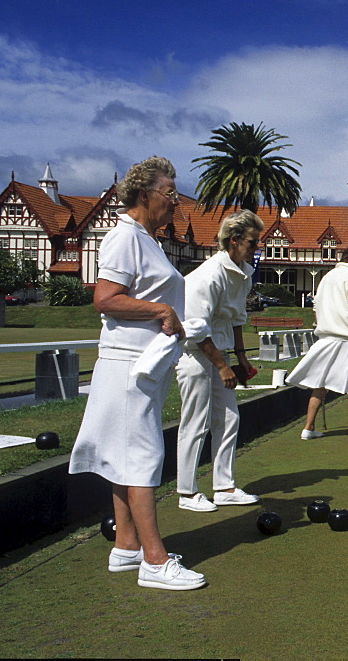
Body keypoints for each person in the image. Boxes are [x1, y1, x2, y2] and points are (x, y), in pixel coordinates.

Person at [69, 156, 205, 590]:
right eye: (170, 193)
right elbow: (106, 298)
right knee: (143, 456)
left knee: (125, 456)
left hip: (143, 365)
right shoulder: (124, 236)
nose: (175, 203)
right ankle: (154, 560)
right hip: (127, 364)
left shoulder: (148, 239)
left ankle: (126, 546)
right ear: (145, 194)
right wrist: (162, 309)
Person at [174, 209, 264, 513]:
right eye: (253, 243)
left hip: (219, 353)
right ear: (235, 241)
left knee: (228, 419)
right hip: (195, 354)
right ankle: (187, 493)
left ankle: (224, 487)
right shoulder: (208, 277)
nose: (257, 248)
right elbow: (196, 329)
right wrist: (223, 366)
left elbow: (236, 318)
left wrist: (239, 359)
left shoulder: (243, 274)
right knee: (195, 422)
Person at [286, 245, 348, 445]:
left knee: (321, 383)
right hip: (346, 338)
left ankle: (308, 428)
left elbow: (315, 307)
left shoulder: (326, 277)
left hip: (325, 337)